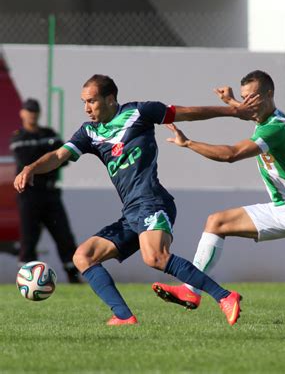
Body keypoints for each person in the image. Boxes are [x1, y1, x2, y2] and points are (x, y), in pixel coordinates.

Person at [14, 74, 260, 326]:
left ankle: (225, 296)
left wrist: (232, 112)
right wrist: (31, 168)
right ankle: (123, 316)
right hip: (131, 211)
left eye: (92, 101)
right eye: (83, 102)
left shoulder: (140, 112)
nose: (87, 108)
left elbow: (187, 112)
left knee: (155, 257)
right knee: (83, 256)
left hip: (152, 201)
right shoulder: (89, 132)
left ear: (110, 99)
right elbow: (58, 155)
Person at [151, 70, 285, 311]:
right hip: (279, 207)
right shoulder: (264, 118)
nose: (247, 103)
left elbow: (231, 155)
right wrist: (230, 102)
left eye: (252, 97)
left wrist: (188, 143)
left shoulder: (277, 127)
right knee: (216, 222)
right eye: (244, 97)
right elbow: (248, 112)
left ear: (269, 95)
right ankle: (190, 290)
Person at [10, 98, 81, 283]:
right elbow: (25, 159)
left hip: (50, 194)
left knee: (63, 235)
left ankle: (73, 276)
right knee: (29, 238)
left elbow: (62, 158)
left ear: (38, 113)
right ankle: (27, 280)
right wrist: (46, 157)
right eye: (28, 111)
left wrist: (45, 159)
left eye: (34, 111)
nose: (32, 114)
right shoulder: (19, 136)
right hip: (29, 194)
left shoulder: (49, 133)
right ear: (22, 113)